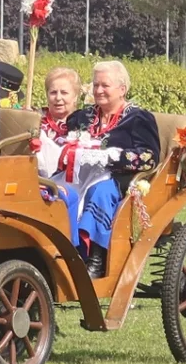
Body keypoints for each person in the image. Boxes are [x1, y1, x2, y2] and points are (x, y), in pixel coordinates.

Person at [57, 60, 160, 278]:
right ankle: (62, 251)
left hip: (120, 177)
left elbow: (150, 157)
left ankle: (96, 258)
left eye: (105, 85)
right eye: (95, 85)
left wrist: (114, 157)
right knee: (58, 191)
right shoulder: (82, 117)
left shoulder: (138, 118)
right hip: (80, 174)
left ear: (122, 89)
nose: (98, 90)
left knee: (100, 191)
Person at [36, 67, 82, 178]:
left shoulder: (84, 122)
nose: (58, 98)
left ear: (75, 96)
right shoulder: (36, 119)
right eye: (53, 92)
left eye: (64, 93)